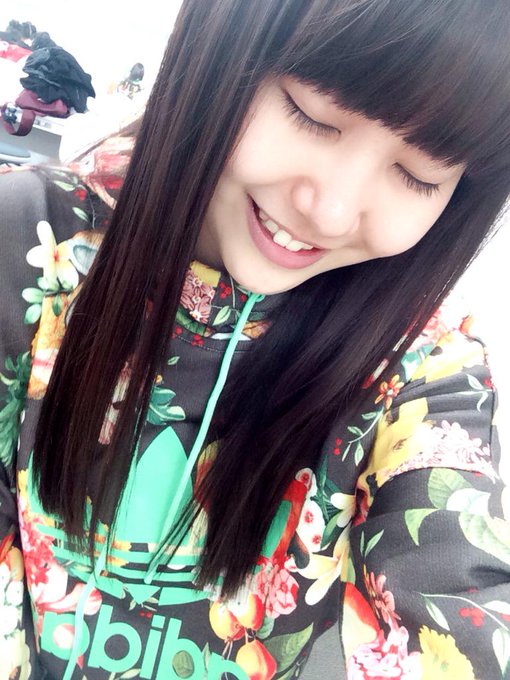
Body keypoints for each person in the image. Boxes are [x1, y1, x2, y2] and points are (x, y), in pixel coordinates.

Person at [0, 1, 509, 678]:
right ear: (219, 46)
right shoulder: (29, 240)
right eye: (311, 114)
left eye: (419, 175)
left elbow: (463, 597)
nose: (331, 211)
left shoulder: (422, 370)